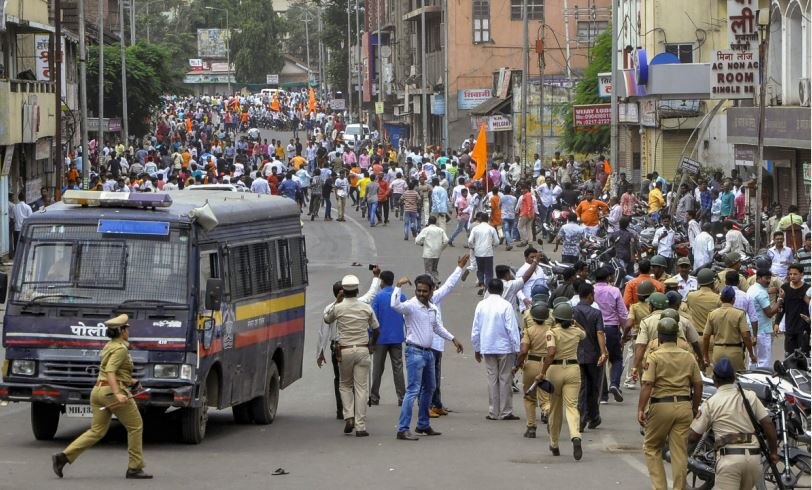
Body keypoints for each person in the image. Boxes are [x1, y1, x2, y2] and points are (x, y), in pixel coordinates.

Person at [52, 314, 152, 479]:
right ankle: (134, 467)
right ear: (121, 331)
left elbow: (110, 371)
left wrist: (133, 382)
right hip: (111, 392)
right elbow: (111, 372)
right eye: (126, 328)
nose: (129, 330)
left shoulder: (109, 346)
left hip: (98, 391)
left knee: (96, 431)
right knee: (135, 426)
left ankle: (63, 457)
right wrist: (119, 393)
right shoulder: (120, 349)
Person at [391, 274, 464, 440]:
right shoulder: (410, 305)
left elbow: (437, 327)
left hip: (428, 353)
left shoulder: (432, 308)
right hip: (414, 352)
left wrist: (453, 338)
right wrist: (398, 286)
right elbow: (395, 305)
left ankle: (423, 424)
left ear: (431, 291)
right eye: (419, 290)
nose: (421, 293)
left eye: (425, 291)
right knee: (412, 391)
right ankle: (403, 429)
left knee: (429, 388)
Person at [688, 357, 779, 489]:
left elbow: (693, 436)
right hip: (753, 460)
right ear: (734, 377)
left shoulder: (711, 403)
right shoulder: (750, 396)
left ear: (714, 379)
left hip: (729, 460)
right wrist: (774, 453)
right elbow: (768, 424)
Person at [638, 317, 702, 490]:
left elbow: (648, 384)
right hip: (684, 406)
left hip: (661, 406)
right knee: (679, 452)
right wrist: (694, 408)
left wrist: (640, 409)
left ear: (659, 337)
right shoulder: (688, 356)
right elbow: (698, 384)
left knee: (651, 447)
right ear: (676, 337)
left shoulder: (654, 356)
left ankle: (660, 487)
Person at [317, 270, 381, 420]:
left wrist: (320, 352)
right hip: (361, 349)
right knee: (359, 386)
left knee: (343, 383)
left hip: (341, 350)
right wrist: (372, 345)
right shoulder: (364, 306)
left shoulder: (333, 309)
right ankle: (359, 423)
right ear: (357, 290)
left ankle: (347, 414)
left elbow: (325, 325)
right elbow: (376, 328)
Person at [535, 302, 587, 459]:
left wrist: (542, 373)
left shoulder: (552, 333)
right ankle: (575, 436)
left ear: (556, 318)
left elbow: (551, 353)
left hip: (555, 370)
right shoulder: (576, 332)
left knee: (555, 409)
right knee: (572, 406)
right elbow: (584, 332)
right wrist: (574, 321)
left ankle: (554, 443)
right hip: (573, 369)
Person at [472, 279, 522, 421]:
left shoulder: (481, 305)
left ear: (487, 289)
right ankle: (506, 411)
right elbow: (512, 328)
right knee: (505, 378)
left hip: (487, 346)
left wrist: (477, 347)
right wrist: (517, 348)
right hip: (505, 347)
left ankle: (493, 411)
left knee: (492, 378)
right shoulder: (506, 305)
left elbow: (476, 329)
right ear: (501, 290)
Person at [573, 283, 608, 432]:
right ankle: (593, 417)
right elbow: (600, 333)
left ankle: (580, 419)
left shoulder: (572, 311)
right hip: (593, 354)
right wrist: (603, 352)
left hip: (577, 353)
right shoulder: (595, 313)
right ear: (589, 295)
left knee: (581, 388)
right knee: (594, 387)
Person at [514, 302, 552, 438]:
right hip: (548, 365)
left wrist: (517, 365)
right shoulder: (551, 330)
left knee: (529, 397)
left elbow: (523, 351)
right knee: (545, 397)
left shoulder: (529, 331)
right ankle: (548, 412)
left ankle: (531, 427)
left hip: (531, 364)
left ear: (533, 317)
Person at [369, 271, 407, 406]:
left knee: (377, 368)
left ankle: (374, 397)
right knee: (398, 368)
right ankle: (402, 397)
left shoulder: (378, 297)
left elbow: (372, 319)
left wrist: (370, 338)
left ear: (382, 281)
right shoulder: (401, 296)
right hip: (396, 337)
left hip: (380, 338)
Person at [593, 267, 627, 403]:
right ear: (608, 278)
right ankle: (614, 384)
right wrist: (625, 330)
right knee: (616, 359)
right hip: (612, 328)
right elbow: (623, 313)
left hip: (596, 328)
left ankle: (603, 396)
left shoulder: (591, 290)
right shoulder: (614, 290)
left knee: (600, 359)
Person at [703, 286, 757, 372]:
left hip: (718, 351)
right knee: (738, 379)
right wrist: (751, 354)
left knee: (719, 378)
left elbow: (706, 336)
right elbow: (746, 336)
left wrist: (705, 356)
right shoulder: (739, 314)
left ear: (720, 299)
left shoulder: (712, 314)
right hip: (735, 352)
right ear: (733, 299)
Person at [747, 268, 784, 369]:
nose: (768, 281)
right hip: (762, 331)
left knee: (753, 359)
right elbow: (770, 313)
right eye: (766, 278)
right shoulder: (761, 293)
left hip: (752, 329)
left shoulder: (752, 288)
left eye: (769, 279)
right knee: (764, 361)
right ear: (758, 278)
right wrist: (780, 299)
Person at [781, 263, 810, 355]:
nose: (792, 276)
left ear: (802, 275)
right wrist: (777, 323)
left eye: (795, 274)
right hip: (789, 328)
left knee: (803, 357)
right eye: (790, 274)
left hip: (804, 328)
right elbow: (782, 307)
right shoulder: (784, 288)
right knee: (789, 357)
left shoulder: (808, 289)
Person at [468, 212, 499, 295]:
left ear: (480, 219)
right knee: (489, 272)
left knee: (480, 270)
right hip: (488, 253)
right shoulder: (491, 229)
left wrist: (473, 247)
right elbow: (497, 241)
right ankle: (487, 288)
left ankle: (481, 284)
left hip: (478, 252)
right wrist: (493, 245)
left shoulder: (475, 228)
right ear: (488, 219)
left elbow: (470, 241)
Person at [685, 269, 721, 337]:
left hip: (696, 337)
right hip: (712, 337)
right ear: (712, 283)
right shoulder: (718, 298)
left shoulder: (691, 296)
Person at [415, 215, 449, 284]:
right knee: (434, 269)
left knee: (428, 270)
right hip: (437, 253)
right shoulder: (440, 230)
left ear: (428, 222)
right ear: (436, 222)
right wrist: (441, 248)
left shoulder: (426, 230)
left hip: (428, 253)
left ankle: (430, 283)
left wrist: (422, 244)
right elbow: (446, 240)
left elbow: (417, 240)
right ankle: (436, 281)